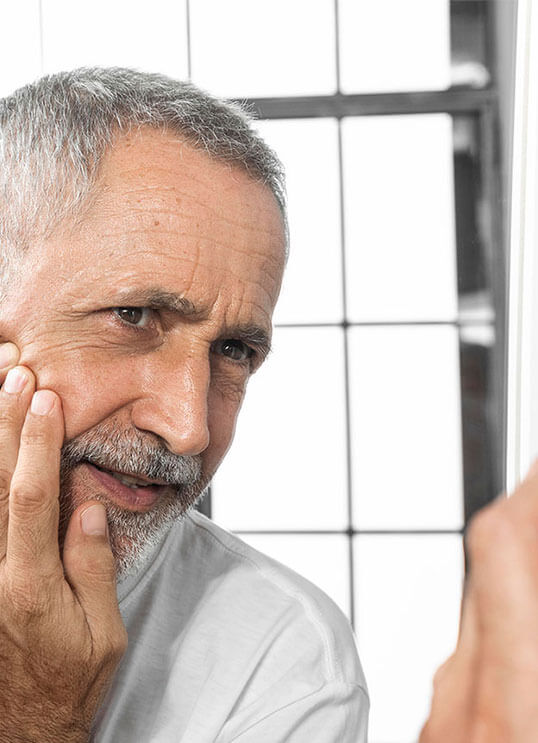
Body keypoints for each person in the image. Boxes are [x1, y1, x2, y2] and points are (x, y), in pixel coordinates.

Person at [0, 68, 368, 742]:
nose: (189, 428)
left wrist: (36, 720)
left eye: (233, 351)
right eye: (132, 315)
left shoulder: (281, 662)